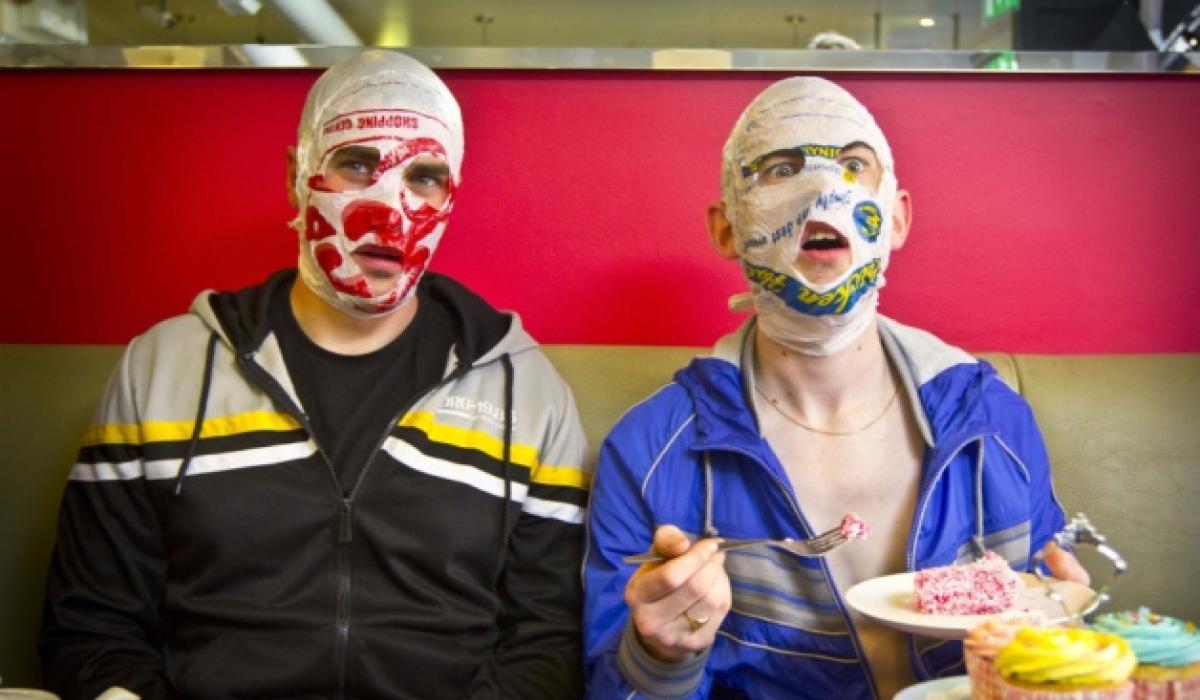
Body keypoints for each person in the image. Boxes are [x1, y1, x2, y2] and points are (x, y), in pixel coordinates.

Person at [39, 50, 589, 700]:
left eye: (426, 176)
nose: (390, 210)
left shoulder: (526, 392)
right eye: (356, 165)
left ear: (454, 194)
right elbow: (91, 627)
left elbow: (546, 643)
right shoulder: (161, 371)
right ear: (296, 176)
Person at [582, 76, 1088, 699]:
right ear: (727, 229)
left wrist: (1069, 653)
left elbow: (1043, 633)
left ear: (897, 217)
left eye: (852, 165)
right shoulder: (648, 451)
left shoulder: (994, 422)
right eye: (781, 169)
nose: (823, 188)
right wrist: (660, 655)